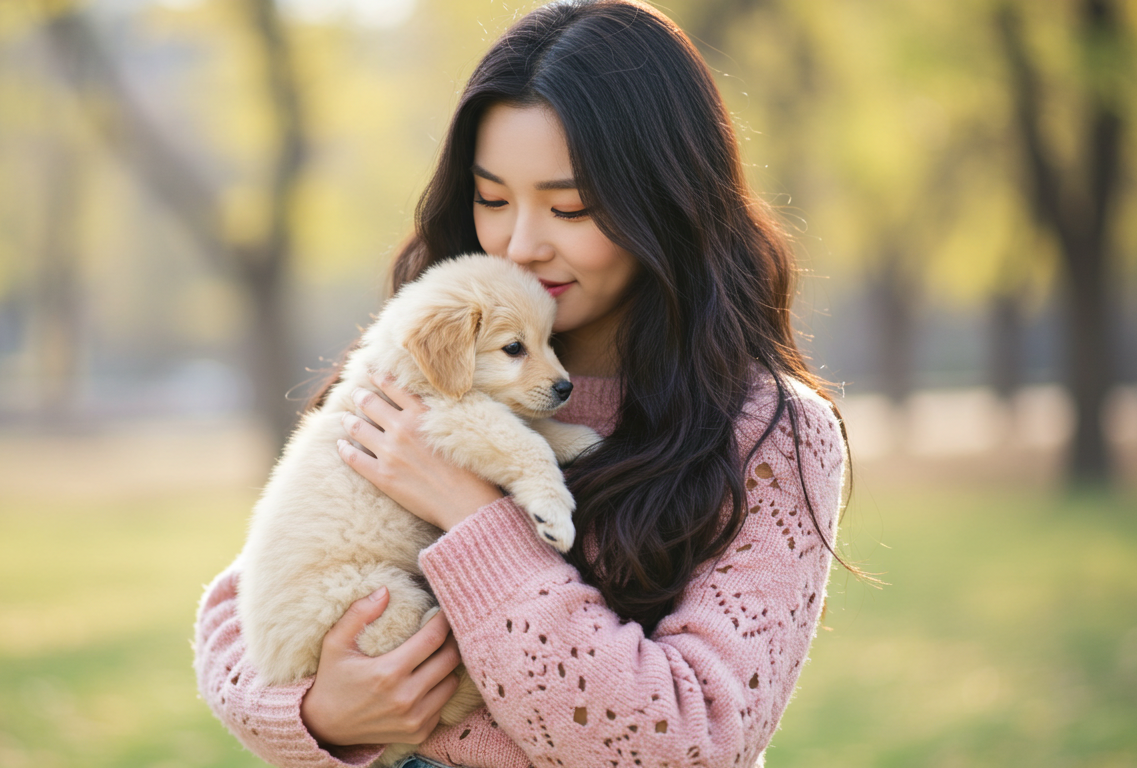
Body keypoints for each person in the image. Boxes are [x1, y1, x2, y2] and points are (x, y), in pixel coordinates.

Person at [194, 1, 852, 766]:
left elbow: (690, 743)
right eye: (493, 199)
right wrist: (318, 712)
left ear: (667, 198)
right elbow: (242, 610)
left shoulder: (772, 435)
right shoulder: (444, 361)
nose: (520, 243)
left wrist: (470, 509)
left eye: (570, 206)